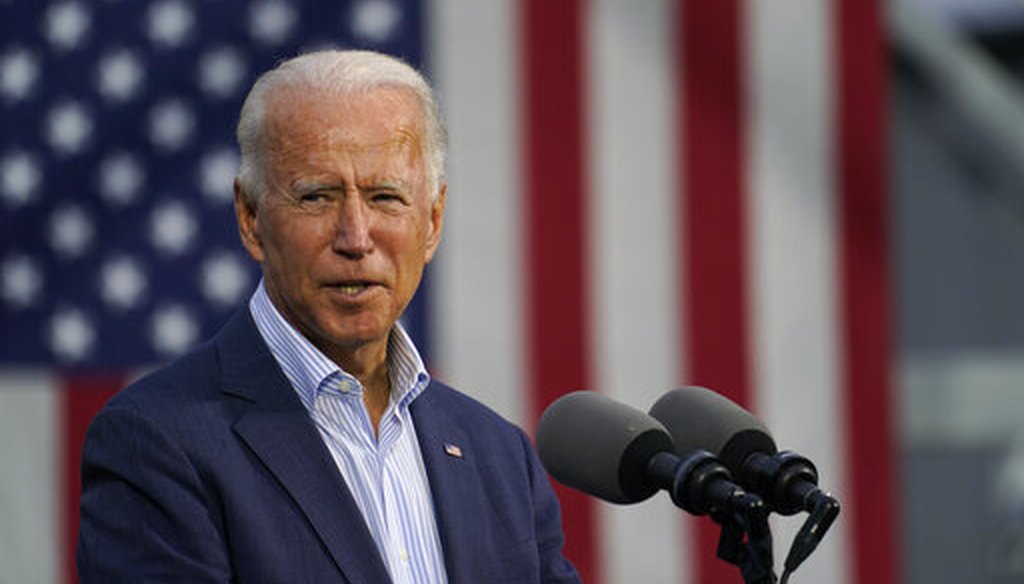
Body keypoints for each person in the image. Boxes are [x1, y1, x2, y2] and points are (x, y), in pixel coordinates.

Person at [77, 50, 580, 584]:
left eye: (386, 197)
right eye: (316, 197)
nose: (356, 238)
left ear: (432, 221)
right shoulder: (156, 442)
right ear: (251, 218)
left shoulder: (499, 456)